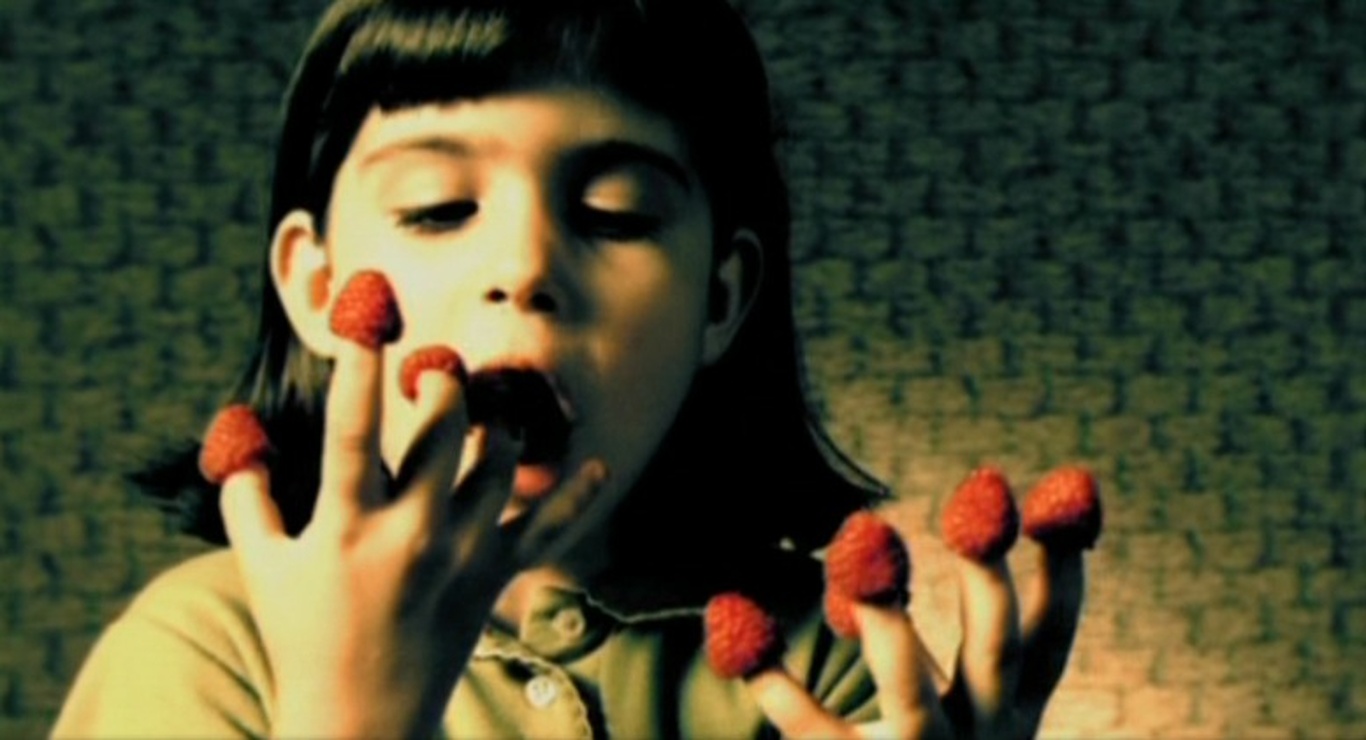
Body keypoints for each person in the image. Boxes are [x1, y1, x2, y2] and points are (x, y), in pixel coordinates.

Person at [53, 0, 1088, 736]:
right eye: (438, 209)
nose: (526, 267)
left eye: (614, 214)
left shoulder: (812, 664)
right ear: (319, 287)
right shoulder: (209, 646)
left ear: (719, 299)